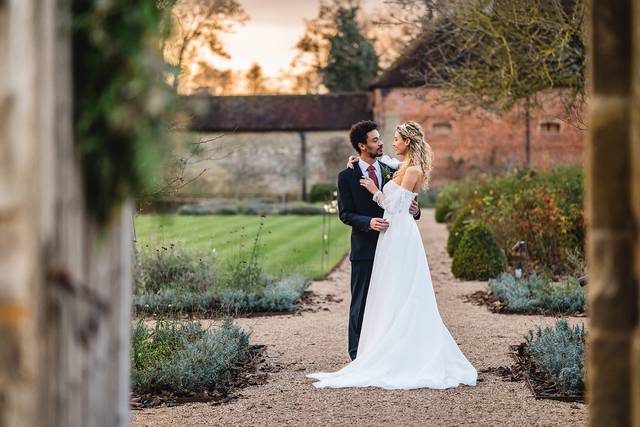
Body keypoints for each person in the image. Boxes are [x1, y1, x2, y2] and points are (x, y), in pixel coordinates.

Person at [306, 121, 477, 390]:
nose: (384, 142)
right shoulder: (349, 174)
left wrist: (398, 201)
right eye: (375, 140)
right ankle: (359, 356)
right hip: (367, 245)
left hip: (395, 240)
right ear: (362, 146)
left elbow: (404, 205)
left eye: (389, 138)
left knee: (396, 296)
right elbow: (345, 213)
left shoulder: (392, 168)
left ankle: (393, 353)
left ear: (407, 142)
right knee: (363, 302)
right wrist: (368, 221)